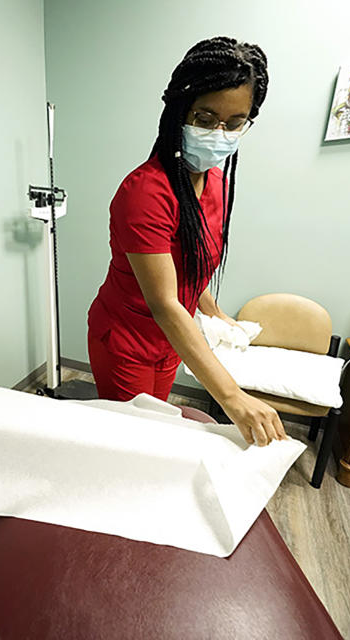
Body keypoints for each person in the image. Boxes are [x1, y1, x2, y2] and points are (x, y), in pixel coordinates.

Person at [86, 37, 286, 447]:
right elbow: (164, 301)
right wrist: (232, 396)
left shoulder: (215, 183)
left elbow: (191, 268)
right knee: (133, 441)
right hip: (127, 341)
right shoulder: (145, 192)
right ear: (180, 111)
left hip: (170, 340)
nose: (220, 133)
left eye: (234, 123)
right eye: (206, 117)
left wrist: (219, 316)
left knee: (156, 429)